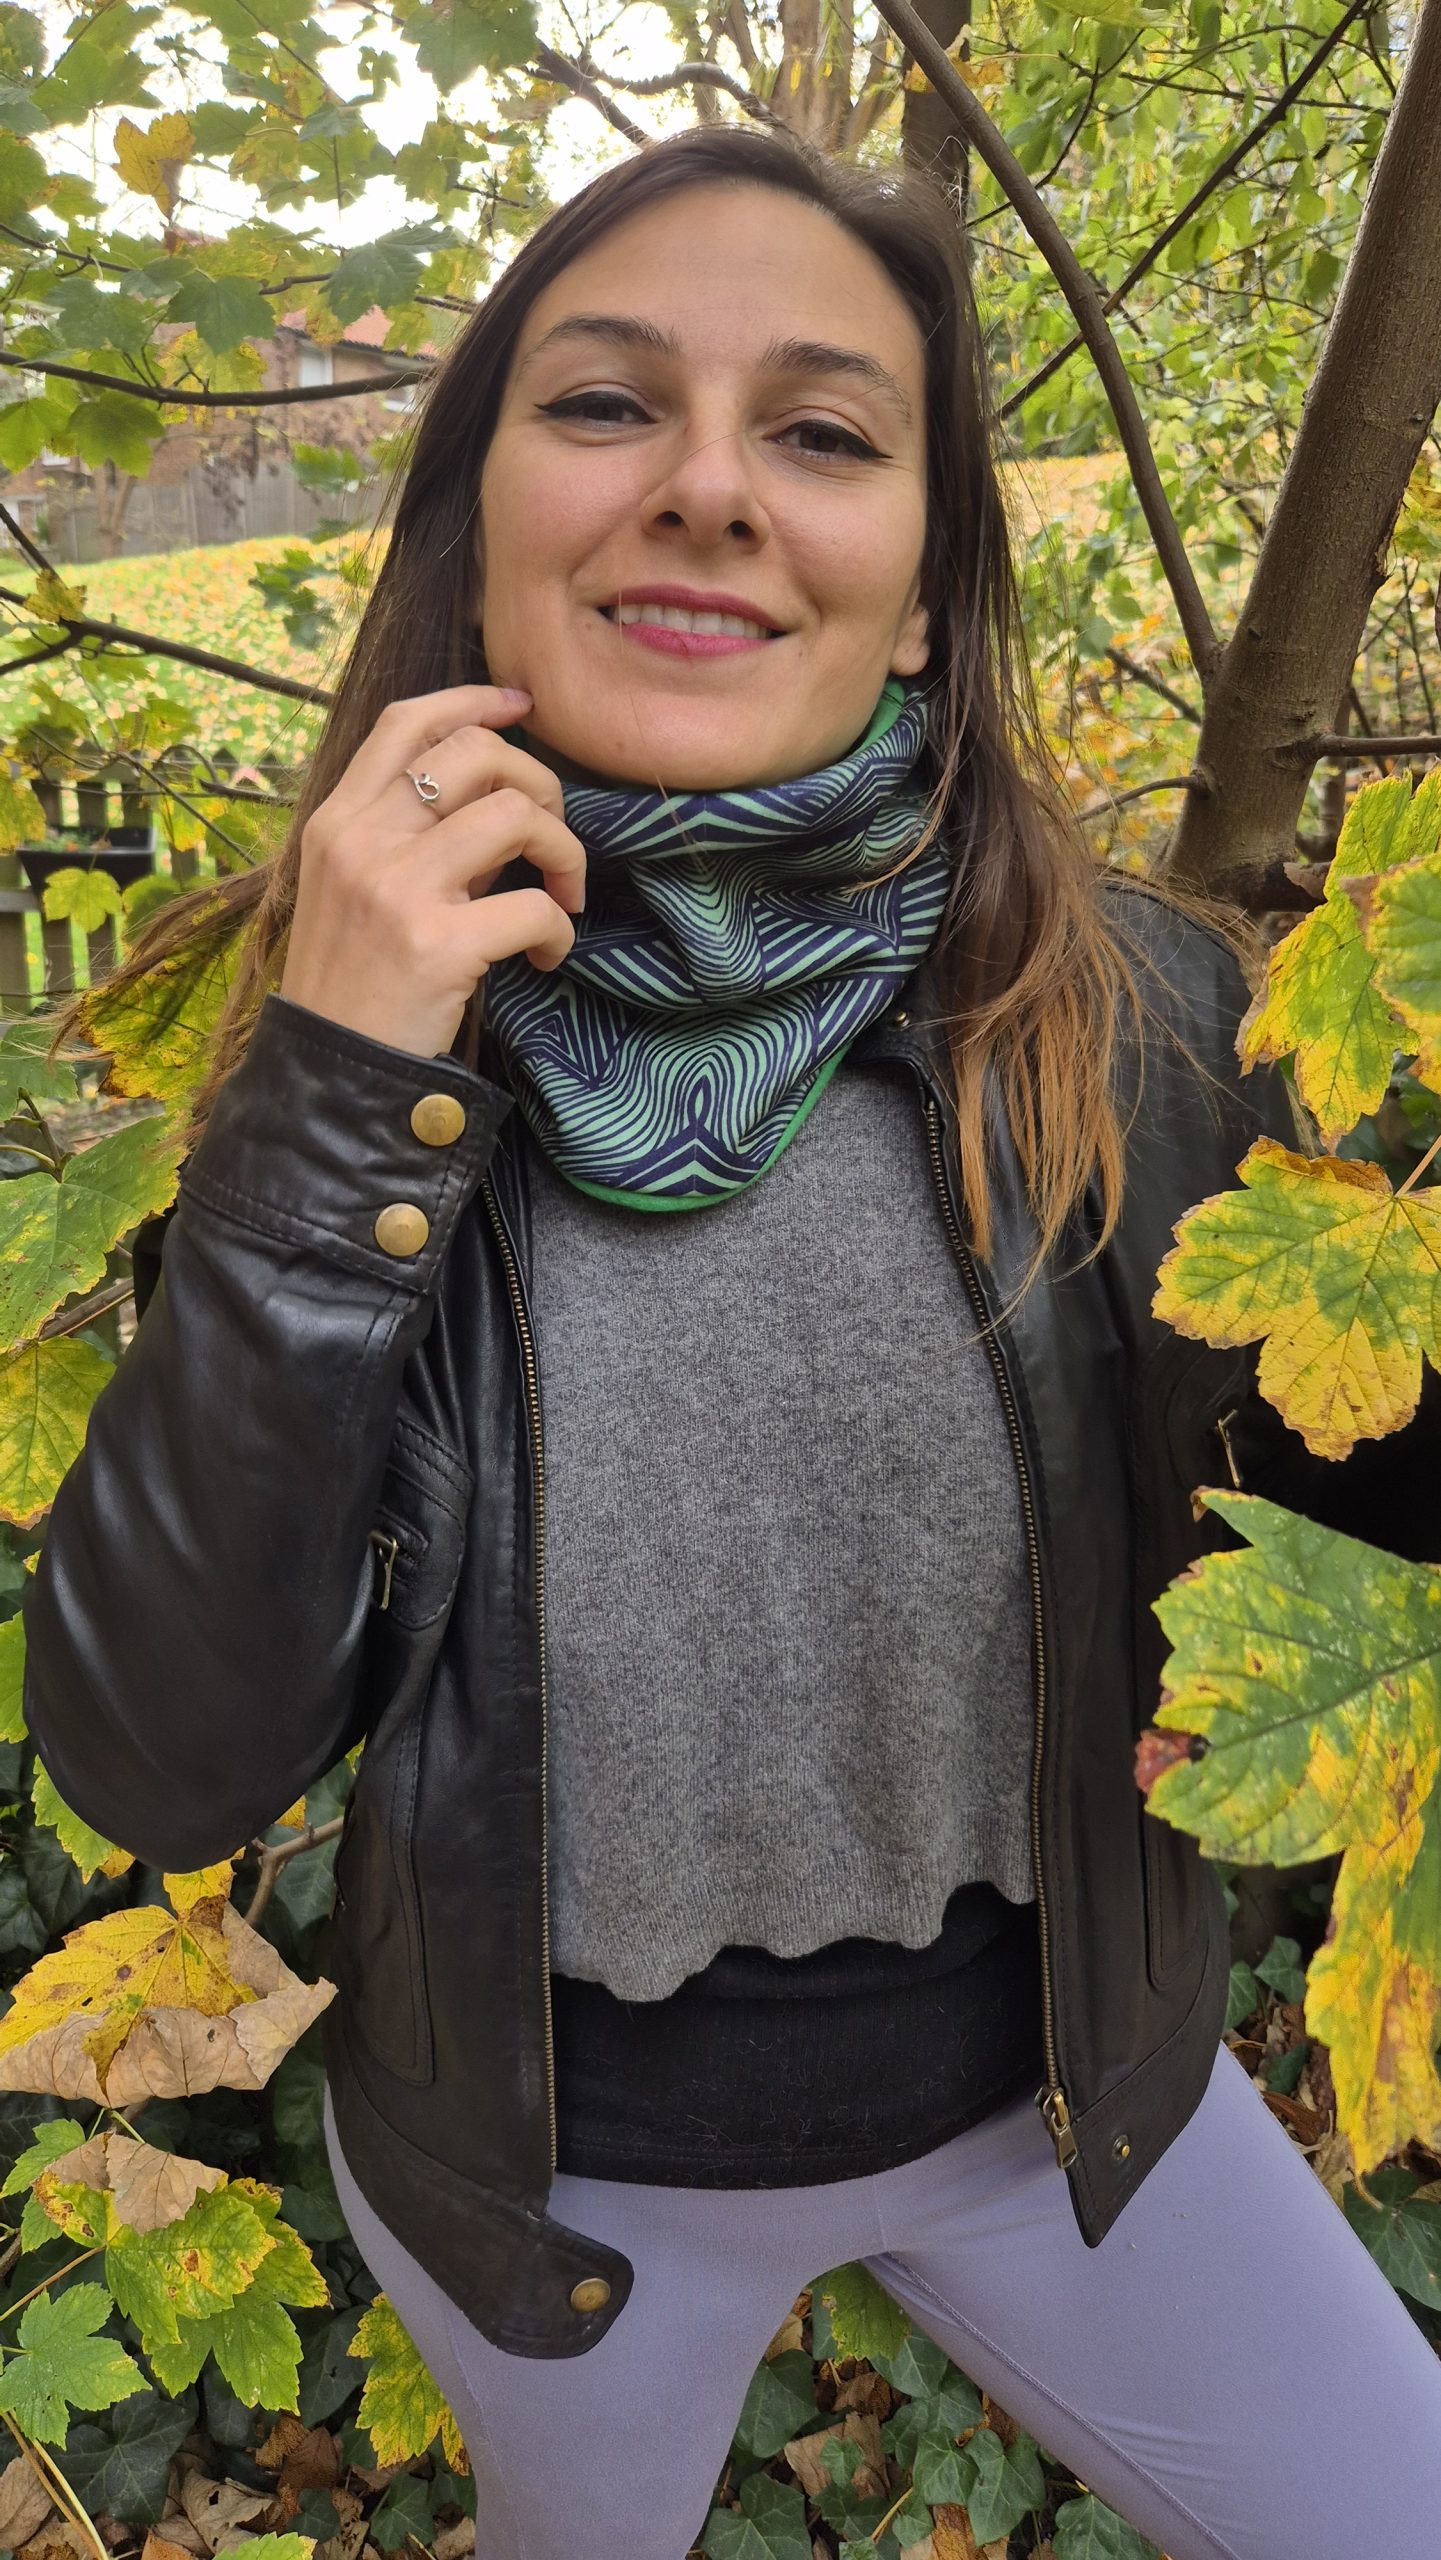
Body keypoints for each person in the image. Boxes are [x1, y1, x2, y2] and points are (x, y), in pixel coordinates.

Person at [22, 120, 1441, 2560]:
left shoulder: (1137, 1018)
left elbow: (1361, 1484)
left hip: (1078, 2117)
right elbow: (165, 1763)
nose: (706, 483)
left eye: (820, 429)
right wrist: (334, 1103)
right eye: (605, 403)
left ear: (925, 595)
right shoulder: (340, 1059)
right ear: (475, 528)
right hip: (557, 2210)